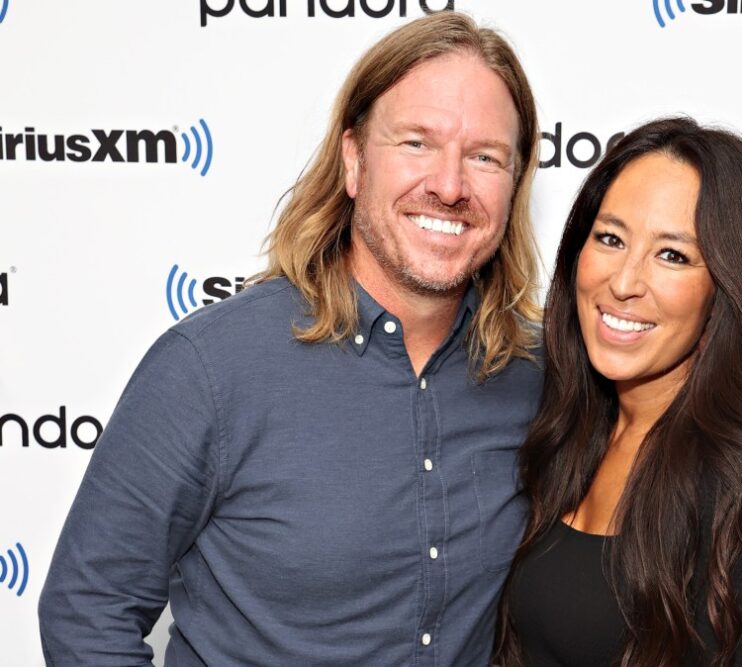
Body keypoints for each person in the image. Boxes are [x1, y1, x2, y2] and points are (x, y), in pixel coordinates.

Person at [39, 12, 543, 666]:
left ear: (514, 182)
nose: (449, 186)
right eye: (417, 143)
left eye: (484, 157)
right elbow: (87, 608)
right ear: (354, 161)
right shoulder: (211, 369)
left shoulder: (538, 377)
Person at [495, 117, 742, 667]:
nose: (623, 282)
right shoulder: (559, 424)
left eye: (673, 255)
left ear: (727, 288)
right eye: (610, 239)